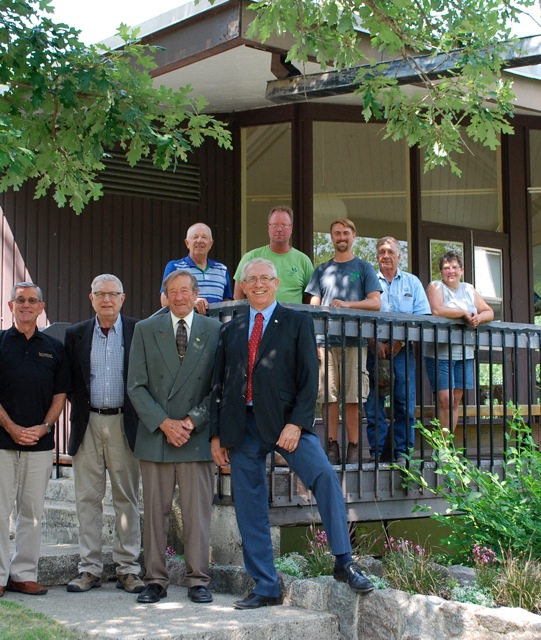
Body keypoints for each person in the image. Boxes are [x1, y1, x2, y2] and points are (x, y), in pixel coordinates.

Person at [210, 258, 374, 610]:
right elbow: (218, 386)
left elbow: (309, 378)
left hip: (287, 423)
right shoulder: (231, 329)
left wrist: (297, 424)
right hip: (241, 428)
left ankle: (344, 561)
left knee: (325, 477)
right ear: (244, 284)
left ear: (275, 282)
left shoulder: (297, 322)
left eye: (264, 279)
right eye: (251, 279)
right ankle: (266, 586)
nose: (257, 284)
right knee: (249, 505)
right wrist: (216, 436)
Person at [128, 270, 221, 605]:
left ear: (196, 294)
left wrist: (191, 421)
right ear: (164, 296)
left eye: (185, 290)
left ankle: (198, 580)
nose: (179, 296)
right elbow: (135, 386)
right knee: (154, 513)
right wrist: (165, 423)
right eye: (172, 291)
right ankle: (155, 579)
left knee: (197, 513)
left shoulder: (214, 330)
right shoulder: (145, 329)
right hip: (157, 436)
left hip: (194, 437)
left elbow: (218, 387)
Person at [64, 275, 144, 594]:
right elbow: (69, 382)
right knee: (87, 499)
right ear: (91, 298)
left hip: (126, 424)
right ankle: (89, 569)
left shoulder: (139, 331)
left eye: (113, 294)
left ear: (123, 298)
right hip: (89, 424)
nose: (107, 299)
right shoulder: (76, 334)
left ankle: (128, 569)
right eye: (100, 294)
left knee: (127, 498)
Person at [0, 282, 70, 597]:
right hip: (2, 441)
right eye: (20, 300)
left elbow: (61, 394)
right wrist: (13, 428)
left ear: (41, 307)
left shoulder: (54, 347)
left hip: (40, 445)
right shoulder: (0, 342)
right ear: (10, 306)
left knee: (31, 512)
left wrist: (44, 426)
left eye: (32, 301)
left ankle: (23, 574)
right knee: (0, 511)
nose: (26, 305)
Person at [305, 219, 381, 465]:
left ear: (354, 236)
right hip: (325, 341)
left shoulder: (364, 268)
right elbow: (313, 306)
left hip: (355, 341)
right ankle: (331, 446)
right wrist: (314, 338)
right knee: (328, 396)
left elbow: (375, 302)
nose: (341, 237)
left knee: (353, 396)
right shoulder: (322, 270)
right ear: (331, 237)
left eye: (345, 233)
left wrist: (348, 305)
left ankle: (354, 447)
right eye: (337, 233)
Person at [364, 237, 431, 464]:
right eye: (381, 251)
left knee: (404, 404)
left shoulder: (412, 283)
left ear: (399, 255)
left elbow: (423, 317)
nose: (385, 255)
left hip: (403, 351)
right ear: (377, 256)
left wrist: (399, 343)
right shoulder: (368, 280)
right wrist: (374, 342)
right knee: (373, 405)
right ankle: (378, 453)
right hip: (373, 350)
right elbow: (360, 314)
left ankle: (403, 454)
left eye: (390, 251)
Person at [425, 250, 494, 431]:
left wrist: (478, 318)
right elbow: (437, 310)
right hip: (439, 353)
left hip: (465, 353)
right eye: (446, 268)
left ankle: (446, 448)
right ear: (441, 271)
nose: (451, 271)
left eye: (454, 267)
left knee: (455, 400)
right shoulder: (436, 286)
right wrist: (464, 313)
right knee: (444, 400)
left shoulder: (468, 289)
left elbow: (489, 311)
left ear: (461, 270)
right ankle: (439, 446)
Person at [233, 206, 313, 304]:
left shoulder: (303, 261)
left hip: (293, 318)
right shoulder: (250, 257)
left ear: (291, 228)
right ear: (268, 227)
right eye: (275, 225)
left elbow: (310, 299)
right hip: (259, 318)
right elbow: (238, 296)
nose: (279, 229)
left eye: (284, 225)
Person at [160, 222, 232, 314]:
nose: (199, 240)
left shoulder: (222, 270)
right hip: (185, 325)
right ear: (187, 243)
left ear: (211, 244)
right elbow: (165, 301)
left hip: (216, 327)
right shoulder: (174, 267)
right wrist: (192, 303)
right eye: (195, 237)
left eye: (204, 237)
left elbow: (227, 304)